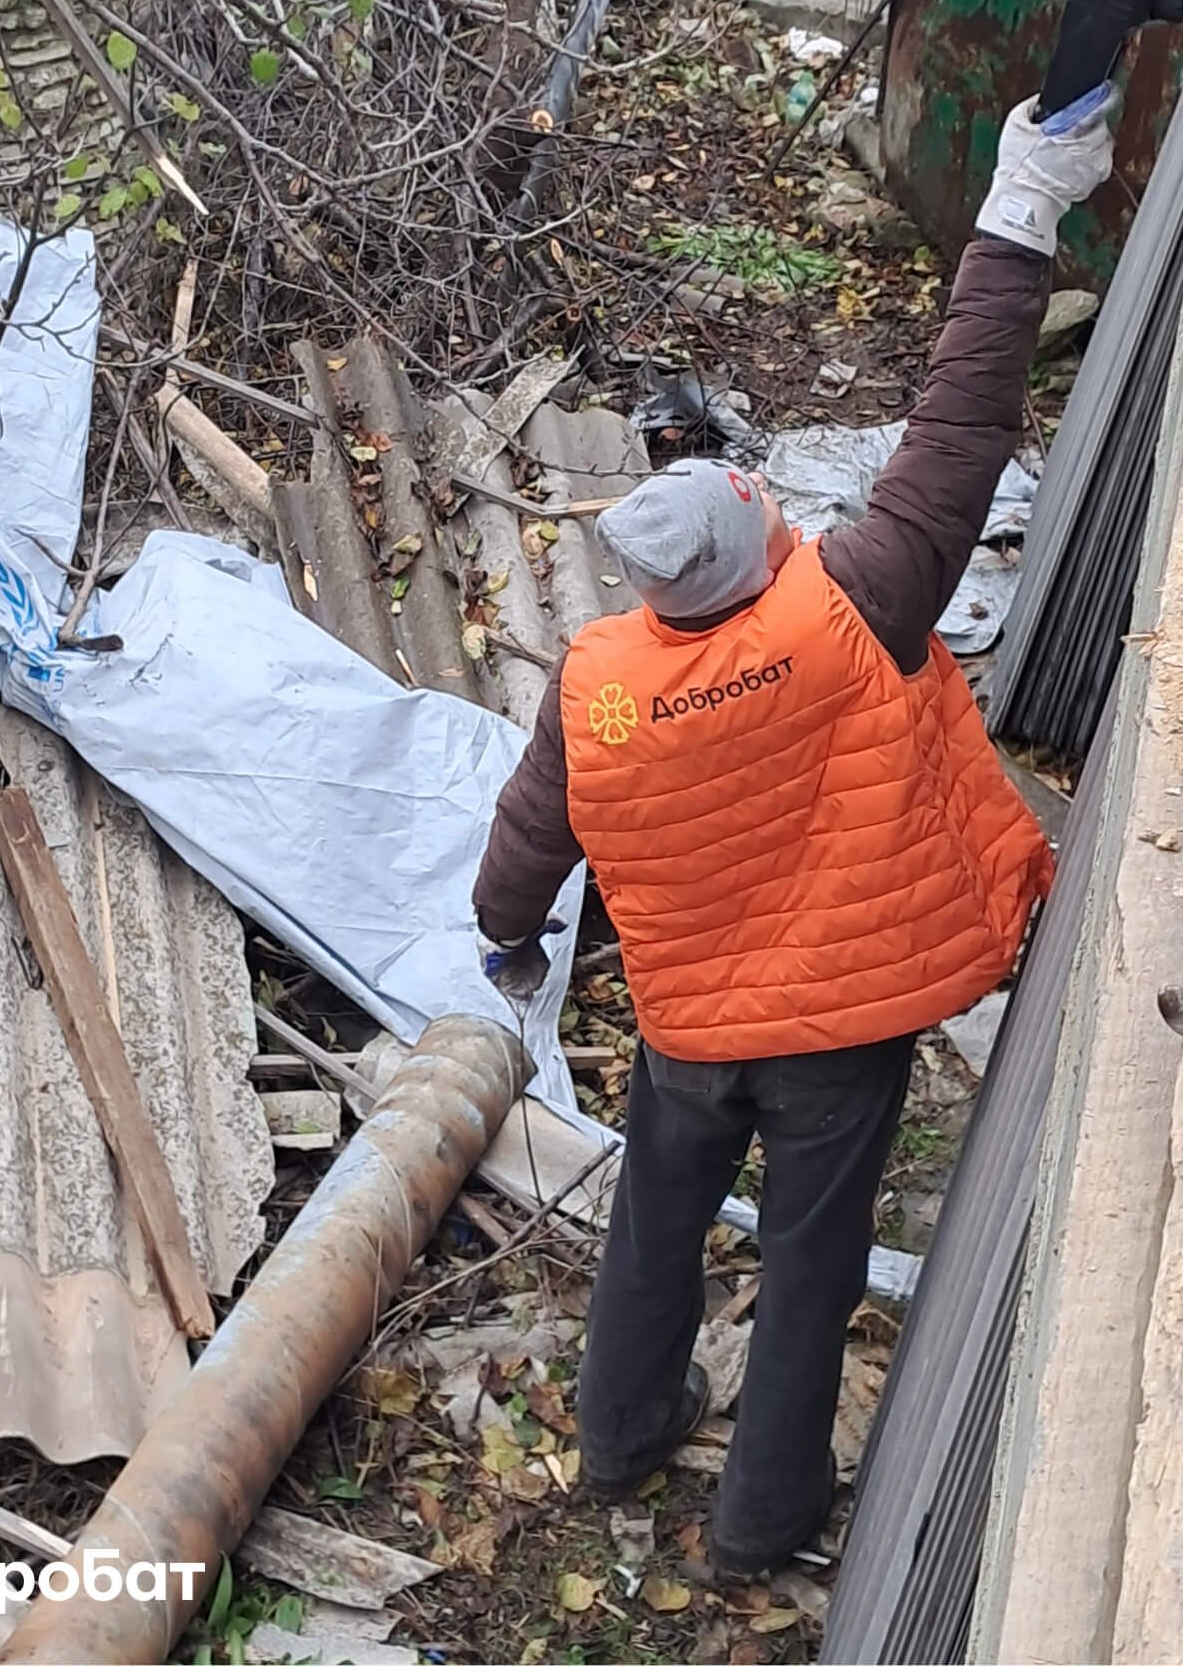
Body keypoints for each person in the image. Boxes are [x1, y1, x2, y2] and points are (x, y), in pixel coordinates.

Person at [471, 89, 1116, 1578]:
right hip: (836, 1038)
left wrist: (508, 933)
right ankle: (759, 1524)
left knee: (654, 1224)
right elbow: (959, 432)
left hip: (695, 1035)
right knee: (810, 1265)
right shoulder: (847, 610)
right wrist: (1019, 219)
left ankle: (621, 1436)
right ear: (751, 541)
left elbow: (525, 844)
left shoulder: (601, 685)